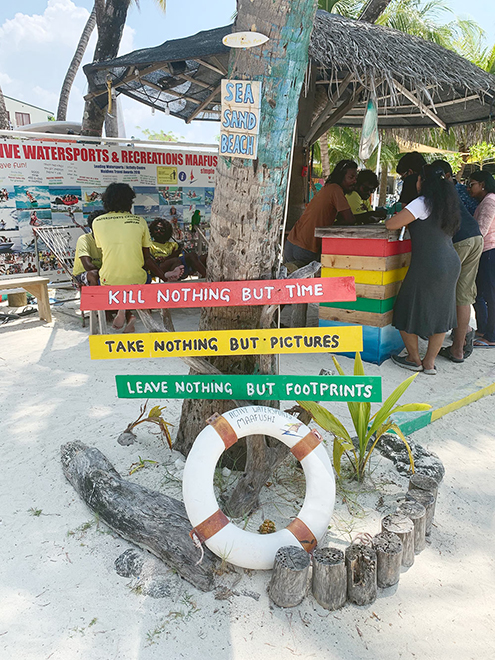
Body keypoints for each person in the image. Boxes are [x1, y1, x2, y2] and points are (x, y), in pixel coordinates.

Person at [385, 164, 461, 375]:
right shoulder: (448, 204)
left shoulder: (422, 203)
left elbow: (392, 224)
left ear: (423, 182)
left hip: (428, 263)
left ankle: (413, 358)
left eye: (418, 179)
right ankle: (429, 363)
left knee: (404, 308)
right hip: (450, 262)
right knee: (441, 313)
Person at [93, 183, 183, 333]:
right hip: (137, 279)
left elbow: (105, 250)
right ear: (130, 201)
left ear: (106, 201)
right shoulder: (139, 222)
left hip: (108, 280)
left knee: (116, 280)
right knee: (139, 278)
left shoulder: (97, 222)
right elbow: (146, 258)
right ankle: (131, 311)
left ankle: (123, 310)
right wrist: (162, 275)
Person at [431, 161, 483, 362]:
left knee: (442, 291)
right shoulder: (454, 189)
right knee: (464, 295)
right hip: (475, 236)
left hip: (459, 240)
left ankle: (430, 349)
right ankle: (458, 350)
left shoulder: (435, 192)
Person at [284, 160, 359, 267]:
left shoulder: (327, 188)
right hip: (306, 247)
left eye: (356, 178)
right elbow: (350, 219)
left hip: (292, 243)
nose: (354, 181)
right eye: (351, 177)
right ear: (341, 177)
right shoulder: (335, 189)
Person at [468, 170, 495, 347]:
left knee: (490, 295)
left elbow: (481, 231)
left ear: (482, 184)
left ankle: (491, 336)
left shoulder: (489, 202)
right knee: (480, 293)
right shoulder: (486, 201)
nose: (469, 188)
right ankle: (484, 329)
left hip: (488, 252)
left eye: (472, 184)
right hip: (485, 251)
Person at [72, 210, 105, 287]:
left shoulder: (108, 240)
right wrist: (104, 272)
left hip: (102, 273)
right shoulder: (84, 239)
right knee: (93, 274)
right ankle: (94, 297)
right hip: (80, 276)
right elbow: (88, 266)